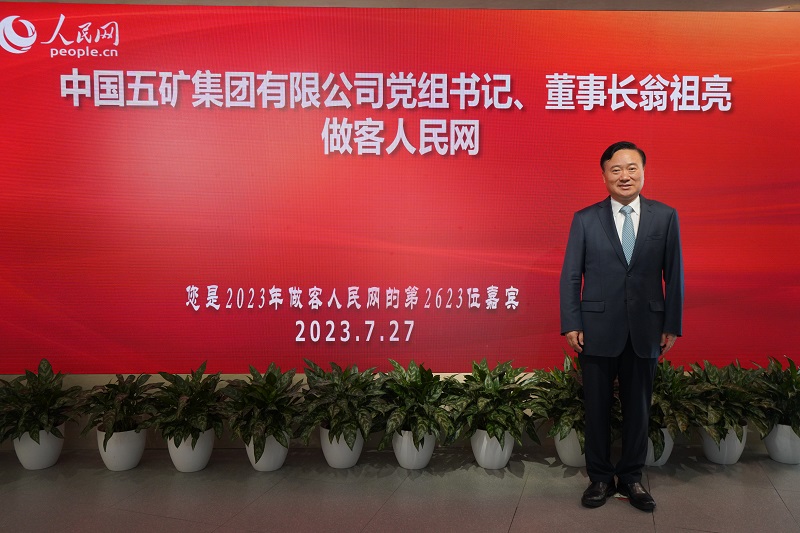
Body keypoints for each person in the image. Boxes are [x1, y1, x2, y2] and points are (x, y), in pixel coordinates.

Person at [559, 141, 684, 512]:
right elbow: (571, 275)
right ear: (604, 176)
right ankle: (599, 478)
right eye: (616, 169)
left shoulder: (665, 216)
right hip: (596, 328)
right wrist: (572, 321)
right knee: (596, 409)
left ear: (643, 172)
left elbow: (674, 274)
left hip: (647, 327)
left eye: (632, 168)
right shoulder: (585, 218)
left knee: (638, 410)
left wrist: (671, 323)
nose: (624, 176)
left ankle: (631, 477)